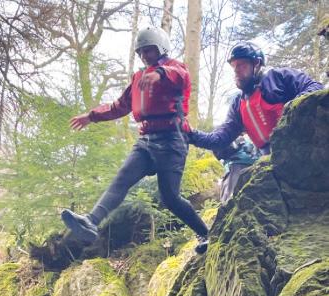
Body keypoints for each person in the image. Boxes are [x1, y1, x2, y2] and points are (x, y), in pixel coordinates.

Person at [61, 27, 210, 255]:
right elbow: (120, 106)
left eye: (148, 50)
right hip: (146, 141)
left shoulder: (174, 68)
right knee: (122, 179)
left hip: (171, 140)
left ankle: (205, 233)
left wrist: (160, 73)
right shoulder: (139, 77)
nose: (144, 56)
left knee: (170, 198)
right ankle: (91, 221)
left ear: (160, 48)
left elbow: (180, 76)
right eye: (140, 52)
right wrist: (91, 116)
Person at [187, 41, 324, 169]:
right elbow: (220, 139)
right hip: (272, 162)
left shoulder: (279, 77)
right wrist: (190, 134)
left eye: (242, 65)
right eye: (234, 66)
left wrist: (291, 109)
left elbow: (315, 87)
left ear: (257, 64)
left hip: (307, 148)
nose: (236, 70)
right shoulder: (238, 104)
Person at [214, 136, 259, 203]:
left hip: (236, 166)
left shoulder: (232, 137)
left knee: (228, 198)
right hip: (254, 164)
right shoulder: (246, 138)